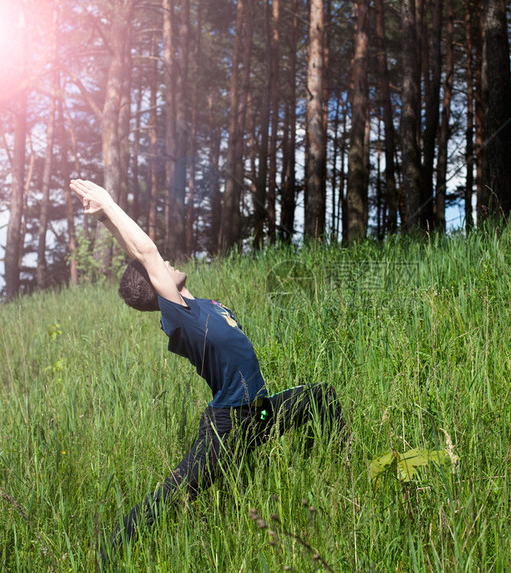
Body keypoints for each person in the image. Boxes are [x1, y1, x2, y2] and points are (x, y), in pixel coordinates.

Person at [68, 180, 348, 558]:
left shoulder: (198, 306)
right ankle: (108, 554)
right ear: (157, 287)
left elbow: (141, 257)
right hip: (228, 422)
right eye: (159, 269)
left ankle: (336, 470)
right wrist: (110, 205)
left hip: (259, 412)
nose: (166, 261)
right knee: (177, 492)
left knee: (320, 396)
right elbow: (146, 253)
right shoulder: (181, 319)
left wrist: (104, 219)